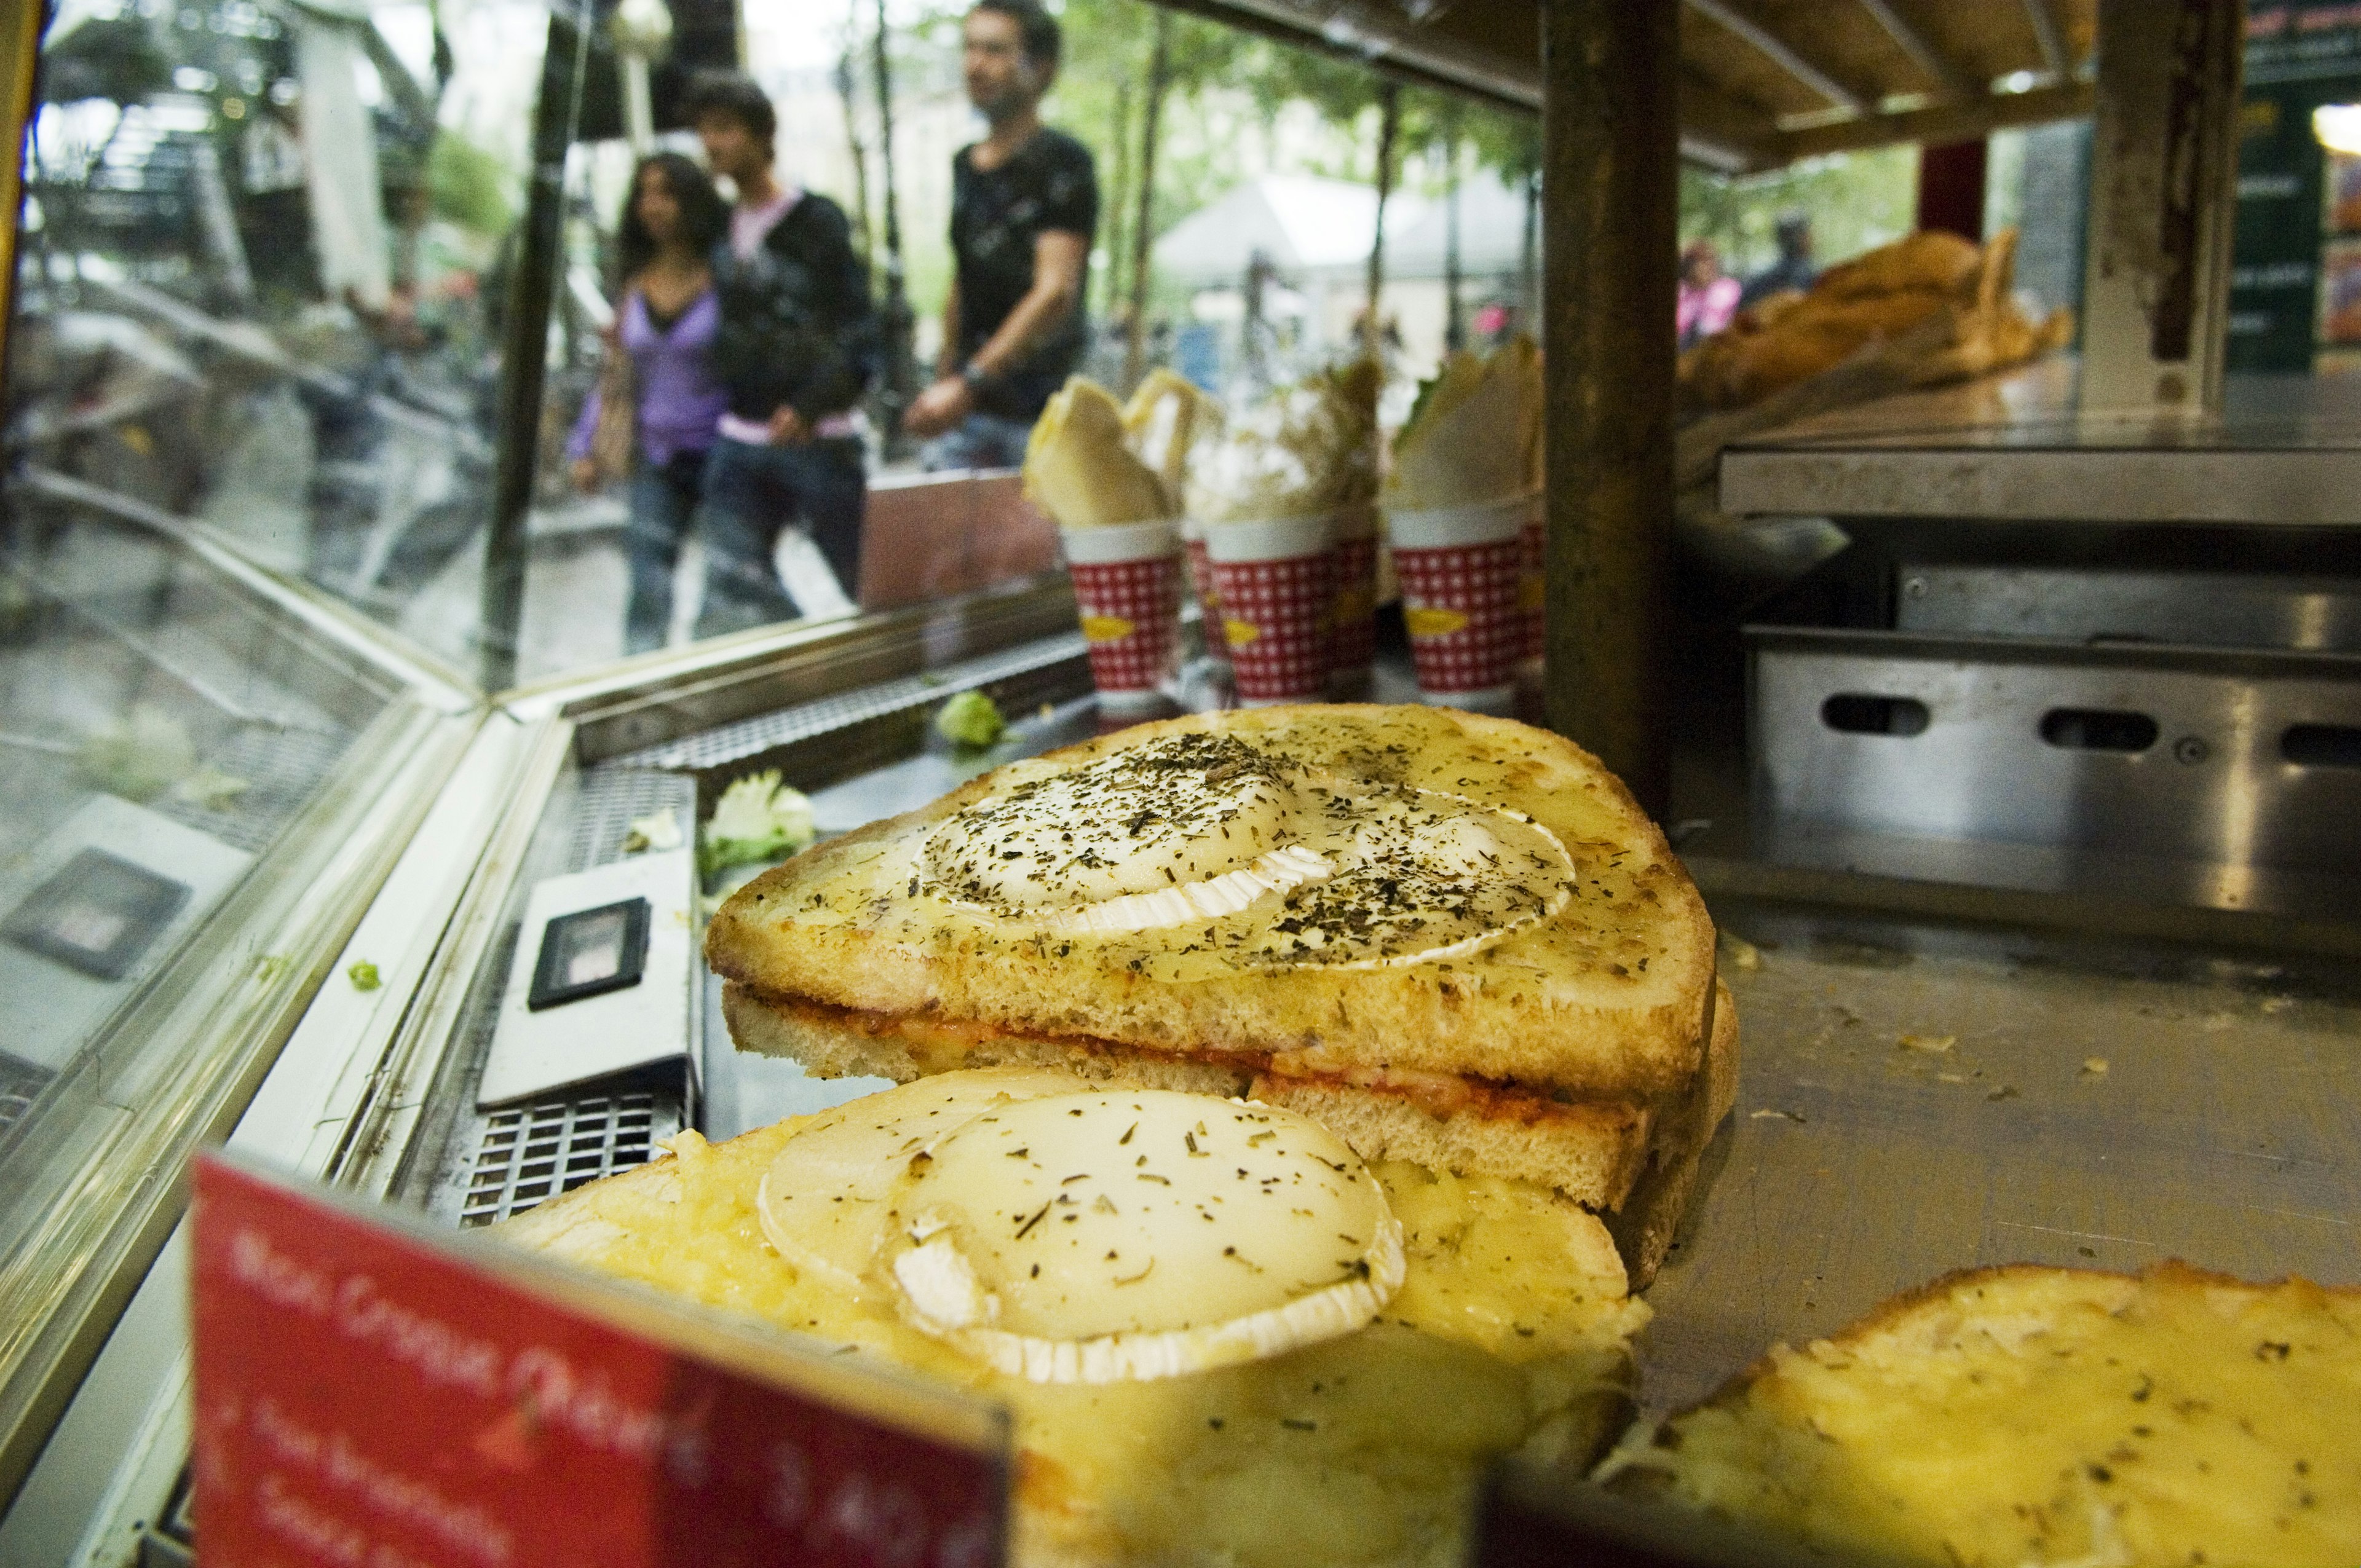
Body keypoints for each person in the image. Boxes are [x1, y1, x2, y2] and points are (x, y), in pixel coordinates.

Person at [687, 71, 880, 636]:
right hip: (741, 438)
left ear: (761, 134)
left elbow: (858, 328)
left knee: (866, 587)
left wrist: (814, 403)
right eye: (704, 132)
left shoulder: (815, 221)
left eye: (724, 129)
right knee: (727, 594)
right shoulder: (719, 231)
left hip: (818, 440)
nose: (713, 145)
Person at [903, 0, 1097, 470]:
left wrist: (968, 382)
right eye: (970, 48)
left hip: (1039, 412)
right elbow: (964, 277)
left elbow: (1054, 292)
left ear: (1041, 68)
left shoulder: (1063, 162)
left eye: (995, 50)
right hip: (971, 412)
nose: (975, 64)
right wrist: (945, 375)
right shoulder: (965, 164)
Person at [567, 152, 730, 654]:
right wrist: (585, 447)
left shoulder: (724, 275)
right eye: (644, 193)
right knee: (648, 588)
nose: (654, 205)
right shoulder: (635, 285)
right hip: (654, 458)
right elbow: (617, 376)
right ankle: (641, 699)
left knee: (729, 589)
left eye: (667, 192)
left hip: (721, 455)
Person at [1739, 213, 1816, 308]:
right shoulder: (1802, 271)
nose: (1811, 238)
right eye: (1806, 234)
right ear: (1799, 238)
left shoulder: (1763, 276)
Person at [1677, 240, 1740, 349]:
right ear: (1688, 268)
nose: (1711, 266)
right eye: (1704, 262)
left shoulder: (1728, 288)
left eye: (1712, 260)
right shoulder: (1681, 298)